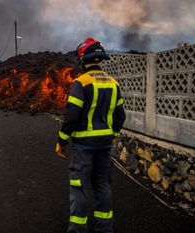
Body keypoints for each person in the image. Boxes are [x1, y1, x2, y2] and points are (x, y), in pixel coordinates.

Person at [56, 38, 126, 233]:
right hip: (104, 145)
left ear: (82, 59)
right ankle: (105, 228)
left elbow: (71, 116)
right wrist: (111, 134)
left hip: (83, 147)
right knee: (102, 184)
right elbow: (121, 116)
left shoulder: (81, 83)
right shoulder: (113, 83)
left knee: (78, 186)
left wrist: (62, 139)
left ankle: (78, 229)